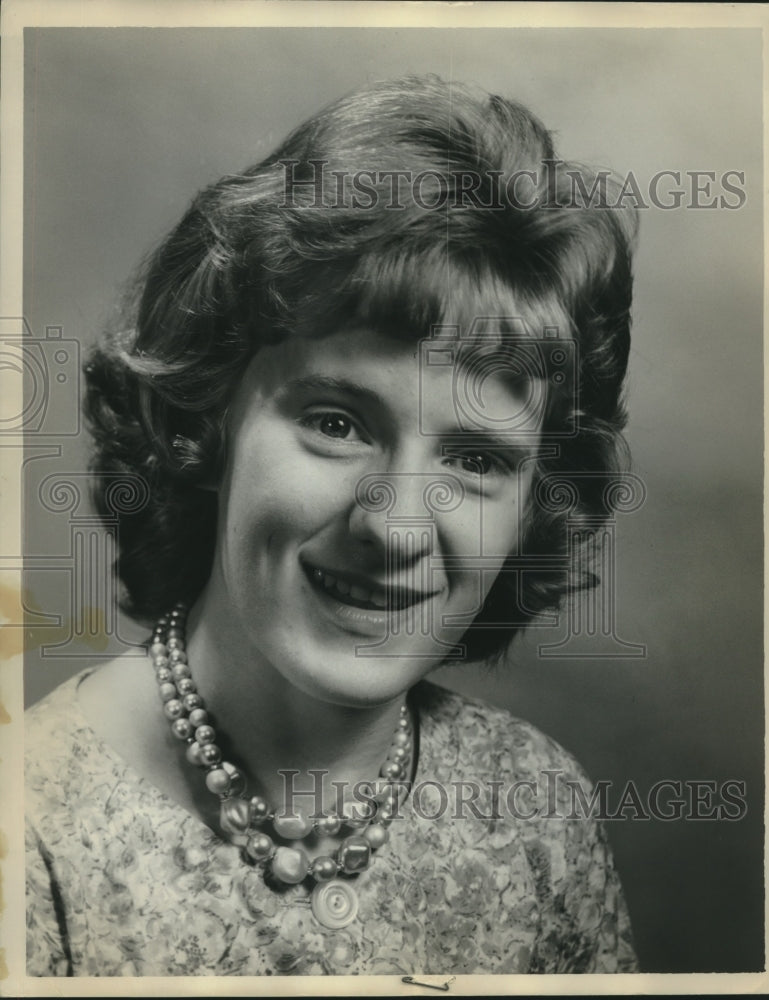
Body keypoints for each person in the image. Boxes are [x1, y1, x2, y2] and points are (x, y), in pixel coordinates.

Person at [25, 75, 639, 976]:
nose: (394, 527)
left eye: (476, 460)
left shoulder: (535, 806)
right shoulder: (29, 826)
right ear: (207, 420)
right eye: (336, 423)